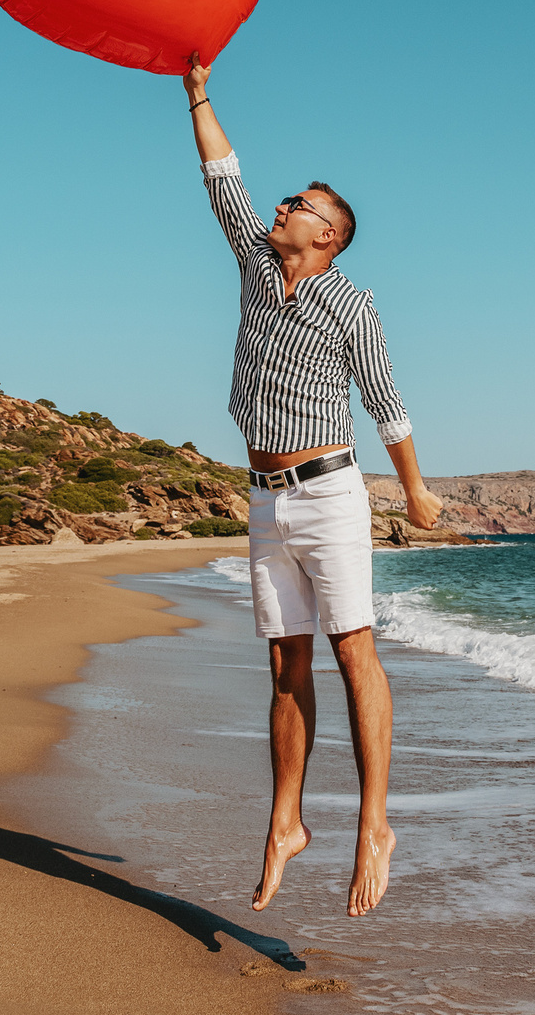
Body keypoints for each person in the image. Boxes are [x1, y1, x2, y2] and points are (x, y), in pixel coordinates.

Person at [179, 53, 445, 920]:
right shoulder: (258, 268)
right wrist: (199, 95)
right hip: (266, 498)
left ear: (327, 235)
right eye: (289, 199)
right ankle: (287, 822)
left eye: (300, 204)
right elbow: (224, 181)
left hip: (330, 494)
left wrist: (415, 492)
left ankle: (374, 824)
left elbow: (387, 403)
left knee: (352, 648)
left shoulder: (353, 306)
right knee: (284, 660)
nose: (283, 207)